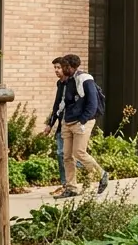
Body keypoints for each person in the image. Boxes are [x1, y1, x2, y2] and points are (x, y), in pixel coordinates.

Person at [55, 55, 108, 198]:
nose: (61, 69)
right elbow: (62, 102)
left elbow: (92, 104)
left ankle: (102, 174)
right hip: (68, 121)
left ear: (72, 67)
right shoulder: (67, 81)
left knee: (79, 152)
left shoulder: (85, 79)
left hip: (82, 121)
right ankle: (71, 188)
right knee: (67, 156)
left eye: (64, 66)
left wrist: (83, 120)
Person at [41, 56, 80, 193]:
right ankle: (66, 184)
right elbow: (57, 105)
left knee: (72, 154)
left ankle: (79, 178)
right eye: (55, 68)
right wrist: (49, 124)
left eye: (58, 67)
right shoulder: (60, 84)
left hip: (72, 123)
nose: (56, 70)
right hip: (61, 124)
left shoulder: (73, 82)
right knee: (60, 154)